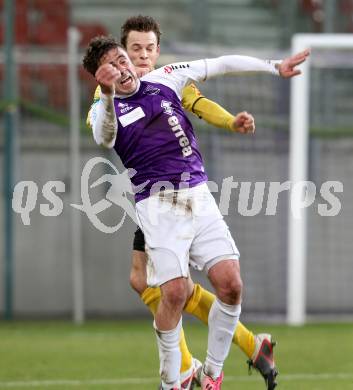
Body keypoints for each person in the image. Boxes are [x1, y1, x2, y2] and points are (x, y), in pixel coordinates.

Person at [85, 16, 309, 390]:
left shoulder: (167, 77)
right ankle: (188, 371)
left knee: (218, 284)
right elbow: (105, 136)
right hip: (154, 202)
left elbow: (211, 82)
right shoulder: (103, 101)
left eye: (144, 50)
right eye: (132, 51)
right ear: (103, 74)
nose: (136, 59)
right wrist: (107, 95)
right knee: (159, 286)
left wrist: (271, 70)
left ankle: (212, 369)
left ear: (153, 51)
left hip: (196, 193)